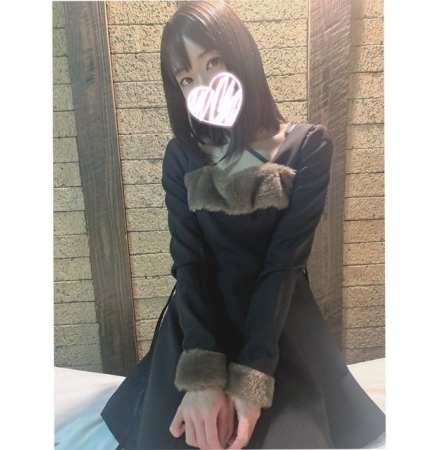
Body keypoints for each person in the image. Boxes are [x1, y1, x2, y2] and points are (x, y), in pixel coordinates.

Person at [101, 1, 386, 449]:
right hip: (199, 327)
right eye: (186, 78)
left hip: (277, 328)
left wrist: (252, 380)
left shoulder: (307, 146)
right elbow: (189, 263)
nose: (202, 85)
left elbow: (283, 266)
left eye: (212, 62)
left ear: (242, 55)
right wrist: (201, 377)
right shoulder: (182, 156)